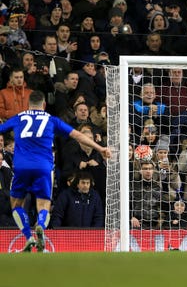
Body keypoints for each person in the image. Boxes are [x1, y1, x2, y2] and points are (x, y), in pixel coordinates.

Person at [1, 91, 111, 252]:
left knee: (16, 203)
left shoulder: (19, 118)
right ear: (44, 105)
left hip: (22, 165)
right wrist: (100, 148)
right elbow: (78, 135)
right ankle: (40, 225)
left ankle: (28, 237)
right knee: (43, 204)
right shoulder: (51, 120)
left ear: (28, 105)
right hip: (44, 166)